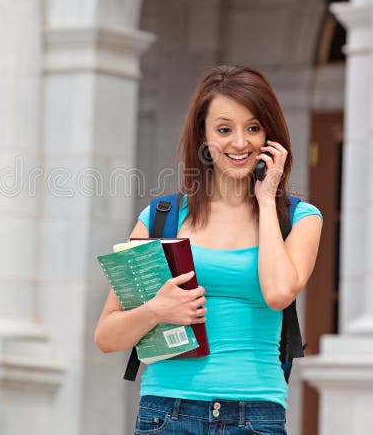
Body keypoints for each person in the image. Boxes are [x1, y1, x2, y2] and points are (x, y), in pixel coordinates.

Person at [94, 65, 323, 435]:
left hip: (255, 415)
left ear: (270, 135)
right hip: (167, 412)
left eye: (253, 128)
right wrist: (157, 309)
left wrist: (266, 201)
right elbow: (106, 336)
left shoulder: (298, 219)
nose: (239, 143)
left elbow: (279, 293)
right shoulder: (160, 219)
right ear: (203, 134)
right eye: (223, 129)